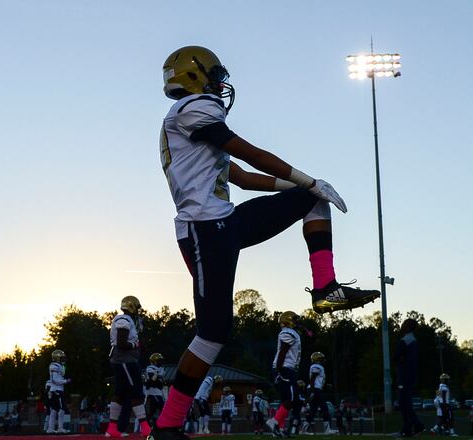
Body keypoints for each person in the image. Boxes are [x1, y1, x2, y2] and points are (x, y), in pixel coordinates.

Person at [149, 45, 380, 440]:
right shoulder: (191, 110)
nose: (221, 83)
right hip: (203, 231)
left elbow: (239, 176)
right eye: (214, 75)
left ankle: (326, 288)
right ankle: (167, 427)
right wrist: (305, 177)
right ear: (194, 76)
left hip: (224, 222)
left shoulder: (195, 124)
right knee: (212, 331)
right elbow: (248, 153)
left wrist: (305, 187)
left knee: (312, 199)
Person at [105, 296, 151, 437]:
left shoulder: (129, 320)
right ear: (131, 306)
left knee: (120, 393)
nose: (138, 310)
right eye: (136, 307)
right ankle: (145, 428)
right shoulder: (123, 320)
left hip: (123, 359)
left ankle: (112, 428)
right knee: (136, 392)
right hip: (125, 359)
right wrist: (136, 345)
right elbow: (122, 344)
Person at [265, 312, 302, 438]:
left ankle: (278, 429)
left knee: (286, 400)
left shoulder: (291, 332)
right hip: (284, 368)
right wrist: (279, 370)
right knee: (292, 399)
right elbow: (283, 351)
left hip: (286, 368)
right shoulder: (288, 332)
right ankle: (273, 422)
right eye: (295, 320)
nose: (297, 322)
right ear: (288, 321)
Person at [393, 318, 423, 437]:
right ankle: (412, 428)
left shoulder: (406, 340)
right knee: (405, 403)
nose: (402, 325)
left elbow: (395, 356)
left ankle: (412, 427)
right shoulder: (412, 340)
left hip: (404, 377)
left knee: (404, 403)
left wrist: (400, 360)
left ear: (408, 327)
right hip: (410, 376)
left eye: (404, 324)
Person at [305, 352, 334, 434]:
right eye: (321, 359)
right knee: (325, 408)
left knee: (313, 410)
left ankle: (304, 429)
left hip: (315, 389)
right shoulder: (317, 366)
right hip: (315, 389)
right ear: (317, 359)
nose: (323, 360)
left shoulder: (317, 366)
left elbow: (316, 380)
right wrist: (312, 390)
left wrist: (325, 386)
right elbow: (313, 378)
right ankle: (327, 430)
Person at [46, 349, 70, 434]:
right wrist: (65, 381)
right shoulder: (54, 365)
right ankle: (60, 428)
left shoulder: (58, 365)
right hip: (57, 390)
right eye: (61, 357)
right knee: (62, 409)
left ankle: (50, 429)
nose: (63, 359)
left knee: (54, 410)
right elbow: (55, 379)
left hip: (55, 390)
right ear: (57, 358)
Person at [144, 353, 166, 426]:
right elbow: (153, 379)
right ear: (154, 361)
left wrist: (159, 373)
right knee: (159, 407)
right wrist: (158, 373)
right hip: (152, 391)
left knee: (156, 409)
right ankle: (149, 424)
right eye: (158, 361)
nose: (160, 362)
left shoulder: (160, 369)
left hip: (158, 391)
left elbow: (162, 379)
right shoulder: (150, 368)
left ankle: (156, 424)